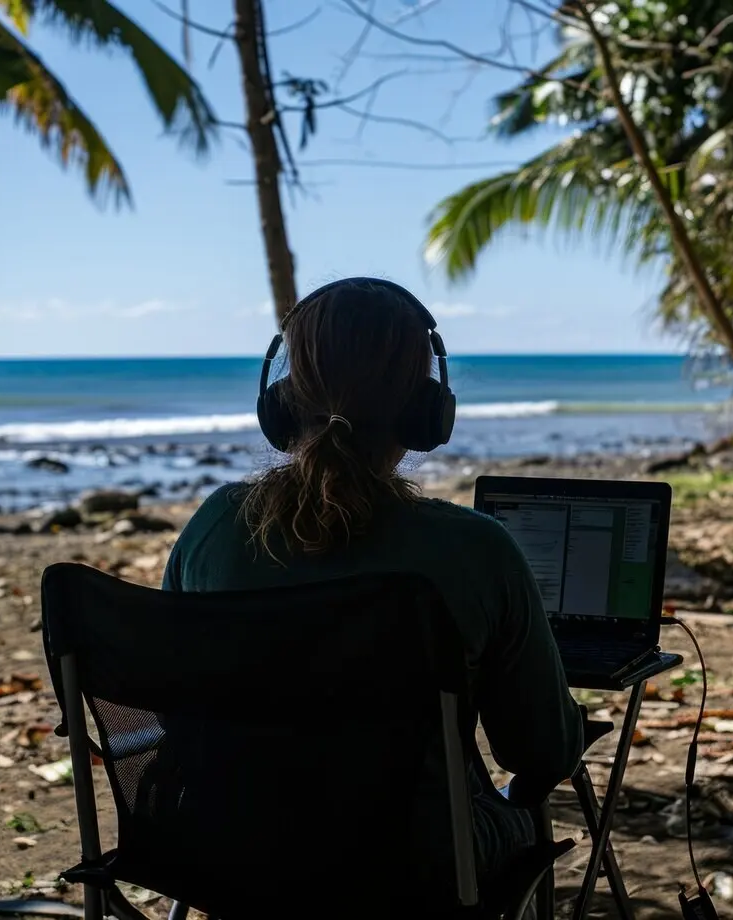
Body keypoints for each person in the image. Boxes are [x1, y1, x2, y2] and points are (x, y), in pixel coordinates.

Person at [161, 277, 583, 894]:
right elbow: (542, 754)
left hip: (232, 855)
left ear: (279, 402)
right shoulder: (474, 549)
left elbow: (174, 705)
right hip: (421, 867)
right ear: (426, 410)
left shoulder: (216, 525)